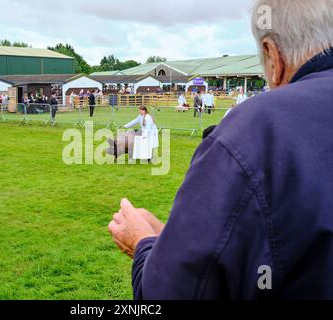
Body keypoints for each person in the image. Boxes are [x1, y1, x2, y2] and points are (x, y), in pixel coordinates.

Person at [108, 0, 333, 300]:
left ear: (272, 55)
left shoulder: (253, 129)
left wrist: (144, 243)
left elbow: (170, 292)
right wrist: (174, 243)